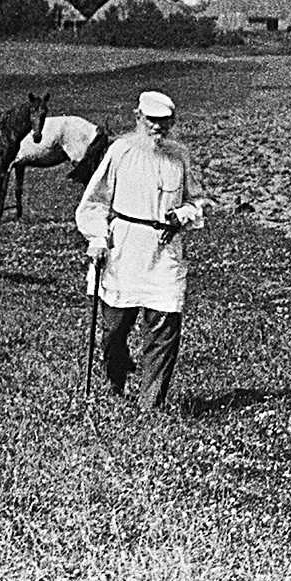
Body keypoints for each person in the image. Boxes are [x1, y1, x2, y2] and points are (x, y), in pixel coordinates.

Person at [75, 90, 207, 409]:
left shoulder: (180, 156)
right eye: (152, 120)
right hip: (124, 249)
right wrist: (96, 239)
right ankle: (114, 383)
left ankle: (150, 405)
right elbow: (94, 202)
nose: (158, 127)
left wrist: (183, 215)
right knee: (114, 330)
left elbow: (198, 200)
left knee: (164, 330)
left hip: (164, 253)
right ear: (138, 118)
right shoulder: (120, 151)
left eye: (165, 121)